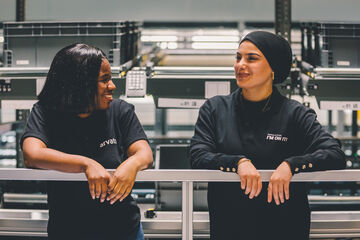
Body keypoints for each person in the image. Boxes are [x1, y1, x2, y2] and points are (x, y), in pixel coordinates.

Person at [190, 31, 346, 240]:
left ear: (274, 68)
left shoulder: (295, 113)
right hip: (230, 227)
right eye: (238, 58)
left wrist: (291, 165)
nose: (240, 65)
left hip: (285, 227)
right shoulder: (215, 109)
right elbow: (197, 155)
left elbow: (334, 154)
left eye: (251, 58)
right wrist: (237, 163)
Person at [21, 43, 153, 240]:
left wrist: (132, 164)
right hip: (69, 231)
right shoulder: (45, 112)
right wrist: (86, 164)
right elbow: (32, 154)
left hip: (124, 230)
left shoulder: (120, 111)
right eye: (104, 80)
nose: (112, 86)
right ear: (80, 84)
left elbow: (144, 153)